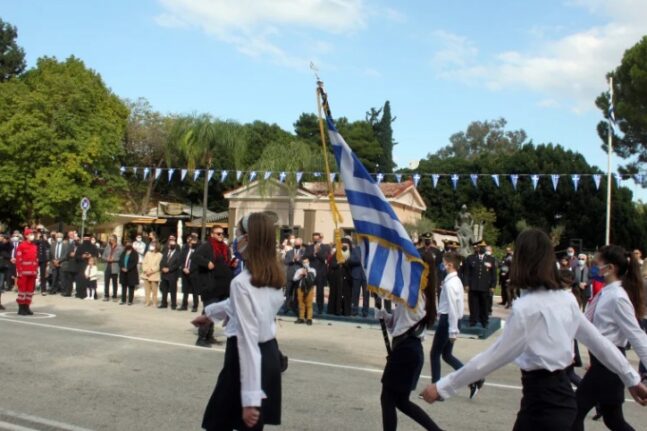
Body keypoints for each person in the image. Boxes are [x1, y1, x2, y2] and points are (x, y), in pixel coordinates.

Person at [420, 229, 647, 431]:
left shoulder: (526, 308)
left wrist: (442, 387)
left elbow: (493, 357)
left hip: (542, 407)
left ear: (521, 260)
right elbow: (600, 343)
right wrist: (632, 379)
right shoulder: (565, 300)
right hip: (562, 402)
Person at [196, 212, 285, 430]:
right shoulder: (274, 276)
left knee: (219, 423)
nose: (234, 240)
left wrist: (250, 399)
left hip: (245, 358)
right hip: (268, 354)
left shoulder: (242, 282)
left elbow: (247, 341)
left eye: (237, 234)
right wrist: (210, 313)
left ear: (248, 239)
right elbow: (239, 306)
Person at [572, 245, 647, 431]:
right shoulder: (607, 292)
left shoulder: (617, 297)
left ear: (611, 268)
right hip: (602, 362)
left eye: (597, 264)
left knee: (573, 412)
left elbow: (636, 335)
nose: (593, 268)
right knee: (613, 419)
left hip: (609, 364)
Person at [375, 258, 442, 431]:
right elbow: (398, 325)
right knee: (401, 401)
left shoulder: (415, 294)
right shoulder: (418, 294)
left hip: (406, 350)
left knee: (388, 398)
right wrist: (385, 316)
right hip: (408, 349)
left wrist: (375, 278)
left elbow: (390, 287)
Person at [430, 251, 484, 398]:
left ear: (450, 264)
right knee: (446, 355)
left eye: (443, 262)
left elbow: (454, 307)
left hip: (448, 321)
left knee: (435, 354)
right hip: (451, 320)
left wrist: (453, 330)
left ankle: (437, 389)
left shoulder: (451, 283)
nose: (442, 264)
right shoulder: (454, 280)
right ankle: (474, 379)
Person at [192, 227, 233, 347]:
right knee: (208, 312)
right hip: (210, 286)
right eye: (218, 233)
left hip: (222, 287)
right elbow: (195, 257)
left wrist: (231, 264)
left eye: (223, 233)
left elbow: (225, 263)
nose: (221, 235)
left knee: (214, 313)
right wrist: (207, 263)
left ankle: (209, 336)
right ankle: (201, 338)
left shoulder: (225, 248)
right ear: (212, 234)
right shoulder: (207, 246)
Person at [462, 240, 496, 328]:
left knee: (484, 304)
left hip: (485, 286)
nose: (482, 249)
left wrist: (493, 286)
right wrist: (466, 284)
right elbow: (466, 273)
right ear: (477, 248)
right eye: (481, 247)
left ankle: (484, 321)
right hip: (473, 285)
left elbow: (493, 274)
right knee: (473, 304)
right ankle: (473, 320)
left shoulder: (490, 259)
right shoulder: (471, 258)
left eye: (484, 247)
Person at [305, 232, 330, 315]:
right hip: (311, 271)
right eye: (314, 239)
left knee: (320, 292)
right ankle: (307, 307)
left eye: (317, 238)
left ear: (320, 238)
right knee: (308, 291)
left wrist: (318, 252)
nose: (315, 240)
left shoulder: (325, 247)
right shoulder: (309, 247)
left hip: (321, 272)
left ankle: (320, 308)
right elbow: (306, 256)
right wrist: (313, 253)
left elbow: (325, 258)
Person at [15, 228, 38, 315]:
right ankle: (21, 308)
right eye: (31, 234)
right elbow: (18, 259)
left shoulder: (34, 246)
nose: (32, 235)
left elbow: (35, 260)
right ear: (26, 235)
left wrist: (36, 271)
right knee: (22, 291)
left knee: (30, 291)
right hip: (23, 273)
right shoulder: (22, 246)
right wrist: (19, 271)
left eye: (33, 234)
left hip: (32, 273)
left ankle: (27, 306)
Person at [327, 239, 353, 316]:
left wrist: (344, 262)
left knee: (346, 295)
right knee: (336, 294)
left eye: (346, 245)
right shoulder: (336, 253)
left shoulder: (351, 254)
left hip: (348, 278)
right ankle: (336, 310)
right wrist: (338, 262)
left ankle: (346, 311)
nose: (344, 246)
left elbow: (352, 264)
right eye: (343, 244)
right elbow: (332, 264)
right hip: (337, 278)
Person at [282, 237, 305, 315]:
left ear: (301, 244)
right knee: (288, 291)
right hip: (290, 274)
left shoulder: (304, 252)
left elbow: (306, 262)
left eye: (298, 244)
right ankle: (286, 307)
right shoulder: (289, 252)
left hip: (299, 275)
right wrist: (292, 260)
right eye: (296, 243)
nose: (297, 245)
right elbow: (285, 261)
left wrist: (298, 259)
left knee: (297, 293)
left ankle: (296, 307)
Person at [178, 234, 199, 312]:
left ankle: (195, 306)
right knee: (185, 290)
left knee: (194, 291)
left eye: (194, 243)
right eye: (191, 243)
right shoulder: (185, 250)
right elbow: (181, 260)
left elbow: (197, 263)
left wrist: (190, 269)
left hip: (193, 273)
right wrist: (184, 268)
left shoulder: (198, 251)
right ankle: (184, 305)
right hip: (185, 273)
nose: (192, 244)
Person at [159, 235, 181, 309]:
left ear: (175, 245)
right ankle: (164, 303)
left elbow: (177, 264)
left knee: (173, 290)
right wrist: (162, 268)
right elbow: (161, 261)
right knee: (164, 289)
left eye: (172, 244)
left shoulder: (178, 254)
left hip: (172, 274)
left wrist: (169, 269)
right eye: (170, 244)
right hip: (164, 274)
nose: (171, 246)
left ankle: (173, 304)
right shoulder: (165, 252)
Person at [293, 257, 316, 325]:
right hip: (300, 288)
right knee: (301, 303)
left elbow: (313, 277)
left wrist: (307, 273)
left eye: (307, 262)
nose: (305, 263)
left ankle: (309, 319)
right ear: (302, 263)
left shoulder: (312, 270)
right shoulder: (299, 270)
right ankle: (301, 318)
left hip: (309, 288)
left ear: (309, 262)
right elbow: (294, 279)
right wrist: (300, 275)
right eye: (304, 262)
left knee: (309, 304)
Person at [349, 241, 369, 317]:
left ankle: (365, 312)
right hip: (356, 275)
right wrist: (359, 260)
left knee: (366, 295)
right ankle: (354, 310)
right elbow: (350, 260)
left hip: (366, 276)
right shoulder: (354, 249)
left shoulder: (369, 249)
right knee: (355, 294)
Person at [101, 235, 123, 301]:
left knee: (114, 282)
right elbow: (103, 256)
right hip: (107, 266)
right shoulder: (107, 247)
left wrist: (114, 259)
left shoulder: (120, 248)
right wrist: (106, 258)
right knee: (106, 282)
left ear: (115, 240)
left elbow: (121, 257)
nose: (110, 240)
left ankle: (114, 296)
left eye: (111, 239)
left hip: (115, 266)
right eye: (110, 239)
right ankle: (106, 295)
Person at [118, 241, 139, 305]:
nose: (128, 245)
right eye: (127, 244)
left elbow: (135, 262)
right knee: (124, 286)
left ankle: (130, 300)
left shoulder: (135, 253)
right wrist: (122, 267)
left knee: (131, 287)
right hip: (123, 272)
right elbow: (120, 261)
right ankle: (123, 300)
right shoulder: (123, 252)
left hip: (131, 272)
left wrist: (128, 268)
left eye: (129, 244)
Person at [142, 241, 162, 307]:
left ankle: (154, 302)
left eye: (153, 245)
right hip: (146, 274)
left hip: (154, 275)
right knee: (147, 290)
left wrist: (151, 271)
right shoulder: (147, 253)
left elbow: (158, 265)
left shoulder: (160, 255)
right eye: (151, 245)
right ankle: (147, 302)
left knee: (154, 290)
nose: (151, 246)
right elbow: (144, 262)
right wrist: (146, 270)